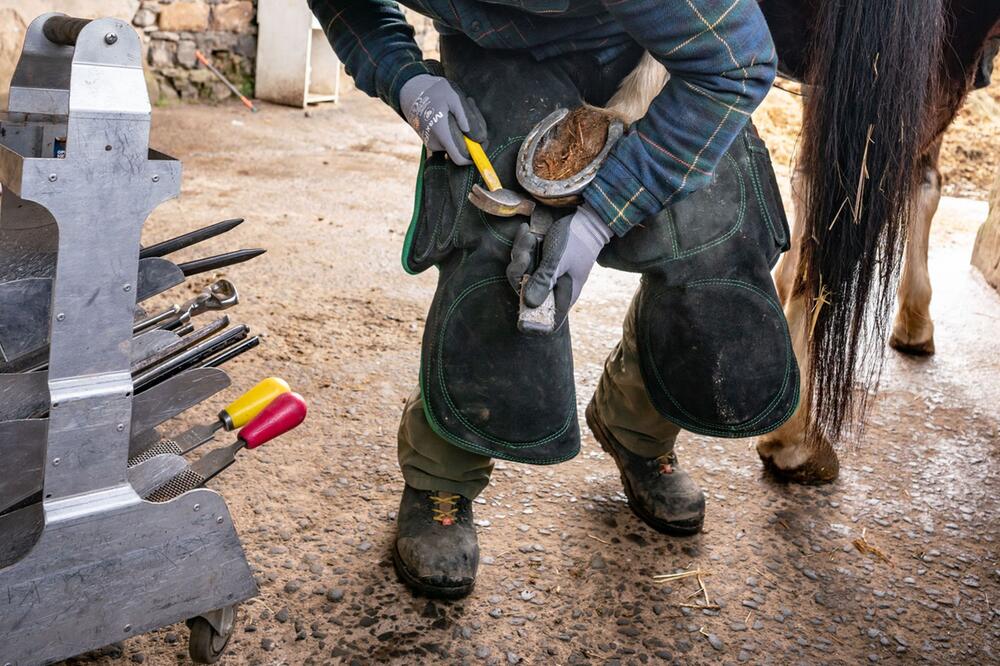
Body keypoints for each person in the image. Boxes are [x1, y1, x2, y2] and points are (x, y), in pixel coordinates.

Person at [309, 0, 796, 599]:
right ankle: (444, 474)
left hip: (653, 50)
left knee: (714, 233)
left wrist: (599, 219)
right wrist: (404, 77)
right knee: (503, 239)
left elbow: (736, 64)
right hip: (495, 47)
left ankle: (637, 426)